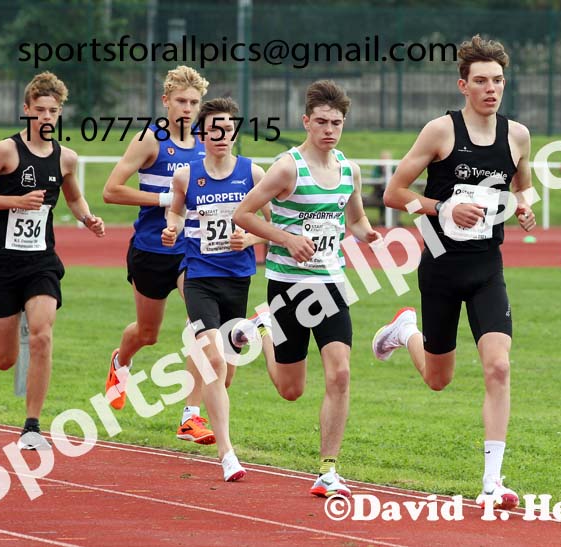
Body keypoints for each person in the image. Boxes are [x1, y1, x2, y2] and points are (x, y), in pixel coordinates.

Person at [371, 35, 536, 510]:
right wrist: (445, 207)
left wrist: (523, 208)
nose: (491, 89)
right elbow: (393, 193)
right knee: (439, 380)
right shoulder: (440, 131)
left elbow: (523, 185)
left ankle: (492, 480)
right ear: (463, 85)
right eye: (481, 81)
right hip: (441, 268)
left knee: (499, 366)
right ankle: (406, 334)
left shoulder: (517, 135)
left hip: (488, 268)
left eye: (498, 80)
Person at [233, 80, 383, 498]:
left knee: (341, 372)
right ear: (306, 121)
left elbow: (354, 220)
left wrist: (370, 235)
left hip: (331, 285)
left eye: (336, 123)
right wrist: (285, 238)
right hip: (287, 287)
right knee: (290, 389)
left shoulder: (348, 169)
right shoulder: (287, 168)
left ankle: (329, 470)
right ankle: (263, 329)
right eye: (321, 122)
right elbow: (244, 215)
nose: (329, 130)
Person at [0, 72, 105, 449]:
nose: (46, 117)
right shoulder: (5, 151)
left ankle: (32, 427)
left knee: (42, 334)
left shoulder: (66, 157)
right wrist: (14, 202)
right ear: (26, 111)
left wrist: (87, 218)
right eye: (40, 110)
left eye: (53, 111)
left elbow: (73, 197)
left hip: (41, 261)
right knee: (3, 359)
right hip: (2, 262)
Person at [161, 97, 276, 481]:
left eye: (228, 129)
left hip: (237, 279)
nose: (222, 135)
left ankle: (250, 327)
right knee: (213, 362)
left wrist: (252, 241)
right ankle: (228, 455)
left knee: (225, 372)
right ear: (202, 133)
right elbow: (176, 209)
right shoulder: (187, 175)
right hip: (199, 278)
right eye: (214, 129)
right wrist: (173, 226)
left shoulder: (253, 173)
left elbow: (270, 224)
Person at [102, 65, 215, 444]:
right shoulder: (149, 140)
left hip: (191, 250)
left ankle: (190, 415)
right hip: (151, 249)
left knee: (200, 327)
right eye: (180, 101)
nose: (187, 108)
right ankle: (121, 361)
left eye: (193, 102)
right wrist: (164, 198)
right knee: (147, 333)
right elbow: (111, 190)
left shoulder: (207, 142)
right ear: (166, 101)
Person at [369, 150, 394, 225]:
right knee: (383, 200)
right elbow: (374, 178)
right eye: (383, 159)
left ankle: (395, 222)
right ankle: (382, 221)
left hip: (394, 196)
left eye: (387, 159)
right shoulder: (378, 168)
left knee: (412, 206)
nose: (385, 161)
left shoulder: (394, 167)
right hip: (379, 194)